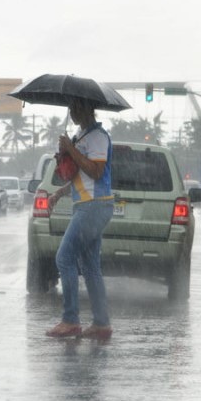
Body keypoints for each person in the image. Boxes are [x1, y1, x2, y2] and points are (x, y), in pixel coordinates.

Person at [45, 96, 115, 340]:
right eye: (70, 107)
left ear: (87, 108)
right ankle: (101, 323)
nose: (72, 111)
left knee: (64, 257)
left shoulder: (97, 137)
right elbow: (79, 177)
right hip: (87, 205)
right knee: (89, 266)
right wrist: (60, 192)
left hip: (94, 207)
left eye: (76, 107)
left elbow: (95, 172)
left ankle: (71, 320)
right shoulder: (81, 136)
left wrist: (71, 150)